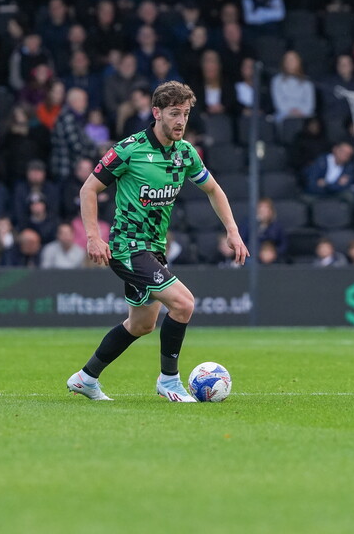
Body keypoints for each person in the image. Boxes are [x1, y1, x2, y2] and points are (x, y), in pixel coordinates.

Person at [66, 81, 248, 402]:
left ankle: (86, 377)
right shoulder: (129, 149)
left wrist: (232, 231)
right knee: (183, 303)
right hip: (127, 247)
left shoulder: (185, 153)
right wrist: (94, 237)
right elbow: (88, 190)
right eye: (174, 113)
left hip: (154, 250)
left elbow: (214, 190)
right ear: (156, 113)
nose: (180, 121)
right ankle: (169, 381)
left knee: (140, 325)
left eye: (186, 114)